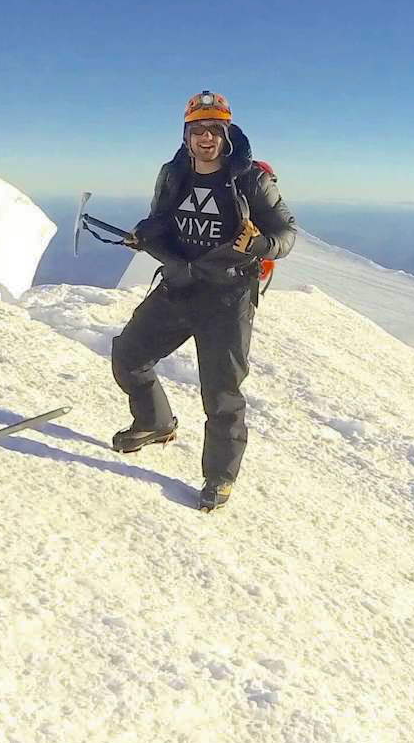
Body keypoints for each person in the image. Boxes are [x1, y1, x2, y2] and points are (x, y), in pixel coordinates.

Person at [110, 90, 298, 511]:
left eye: (214, 129)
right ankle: (154, 422)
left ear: (226, 132)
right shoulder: (174, 173)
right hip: (180, 283)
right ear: (186, 133)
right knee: (128, 355)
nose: (206, 137)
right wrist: (144, 234)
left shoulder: (252, 179)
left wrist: (261, 243)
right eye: (198, 130)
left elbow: (286, 235)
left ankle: (219, 476)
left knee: (221, 392)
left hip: (228, 295)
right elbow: (161, 218)